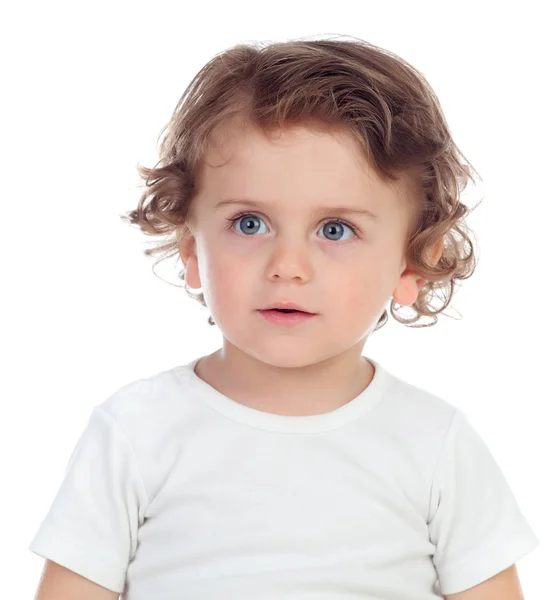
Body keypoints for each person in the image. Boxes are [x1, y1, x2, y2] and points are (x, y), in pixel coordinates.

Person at [29, 36, 539, 599]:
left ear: (413, 262)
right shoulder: (135, 432)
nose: (287, 267)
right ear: (191, 249)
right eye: (250, 224)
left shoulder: (435, 443)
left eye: (335, 230)